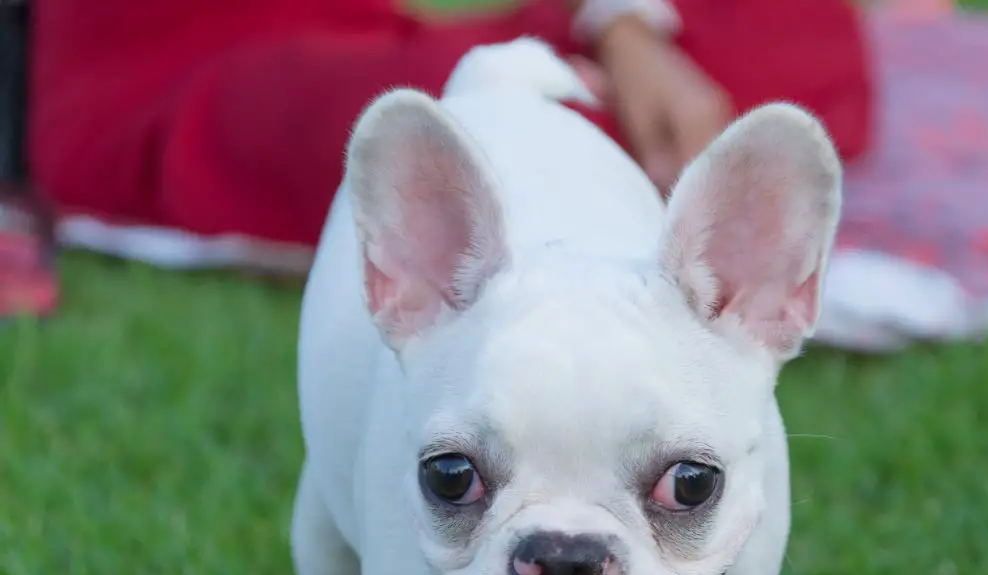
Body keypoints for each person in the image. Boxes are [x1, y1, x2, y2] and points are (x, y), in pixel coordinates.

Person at [27, 0, 874, 253]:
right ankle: (558, 107)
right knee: (431, 122)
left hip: (353, 32)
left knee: (790, 29)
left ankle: (570, 92)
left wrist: (623, 29)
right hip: (171, 77)